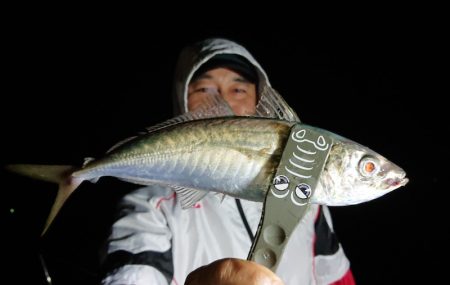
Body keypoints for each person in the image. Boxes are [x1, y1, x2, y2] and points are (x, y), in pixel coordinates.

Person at [100, 38, 356, 284]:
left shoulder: (309, 204)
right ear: (182, 101)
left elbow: (336, 277)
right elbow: (133, 274)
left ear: (259, 99)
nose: (225, 102)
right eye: (205, 90)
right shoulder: (151, 209)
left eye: (238, 89)